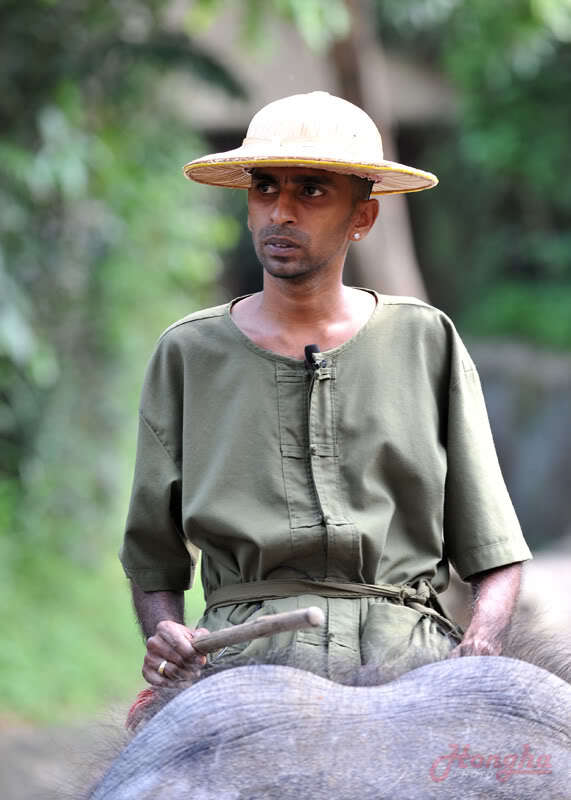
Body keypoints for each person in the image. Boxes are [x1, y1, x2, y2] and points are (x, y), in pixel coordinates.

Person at [119, 91, 531, 689]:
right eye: (265, 188)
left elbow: (495, 553)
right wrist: (167, 633)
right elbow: (152, 557)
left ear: (362, 217)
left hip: (410, 658)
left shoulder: (425, 339)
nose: (280, 211)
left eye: (311, 190)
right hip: (244, 660)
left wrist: (480, 646)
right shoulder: (187, 353)